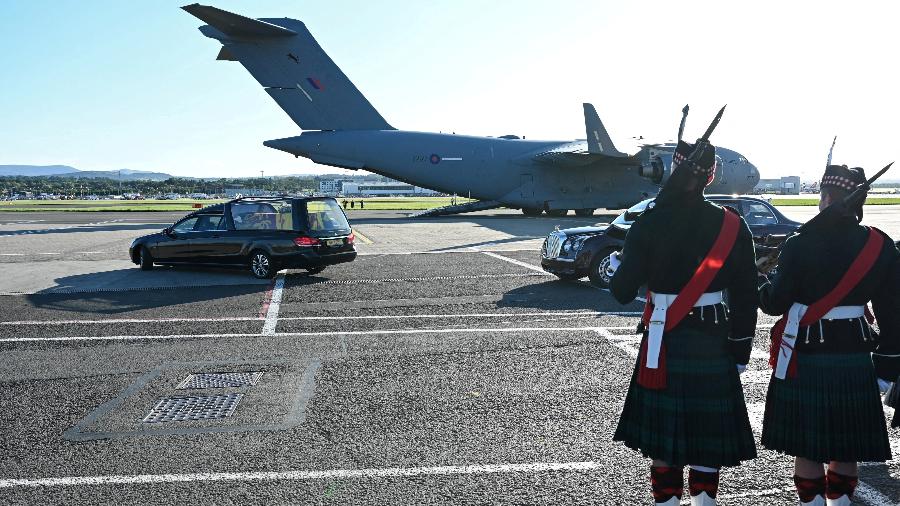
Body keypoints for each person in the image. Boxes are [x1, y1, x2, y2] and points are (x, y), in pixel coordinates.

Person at [608, 139, 758, 506]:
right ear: (711, 176)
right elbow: (745, 293)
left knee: (665, 434)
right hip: (714, 338)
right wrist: (741, 347)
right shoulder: (731, 225)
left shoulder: (649, 221)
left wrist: (616, 269)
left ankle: (667, 502)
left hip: (664, 336)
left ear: (674, 171)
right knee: (707, 432)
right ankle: (705, 502)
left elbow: (623, 292)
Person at [757, 164, 900, 506]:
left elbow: (775, 304)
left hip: (806, 352)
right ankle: (841, 503)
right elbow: (894, 315)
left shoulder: (799, 244)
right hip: (854, 353)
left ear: (825, 196)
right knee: (846, 445)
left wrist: (759, 280)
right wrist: (886, 369)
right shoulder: (879, 246)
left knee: (809, 448)